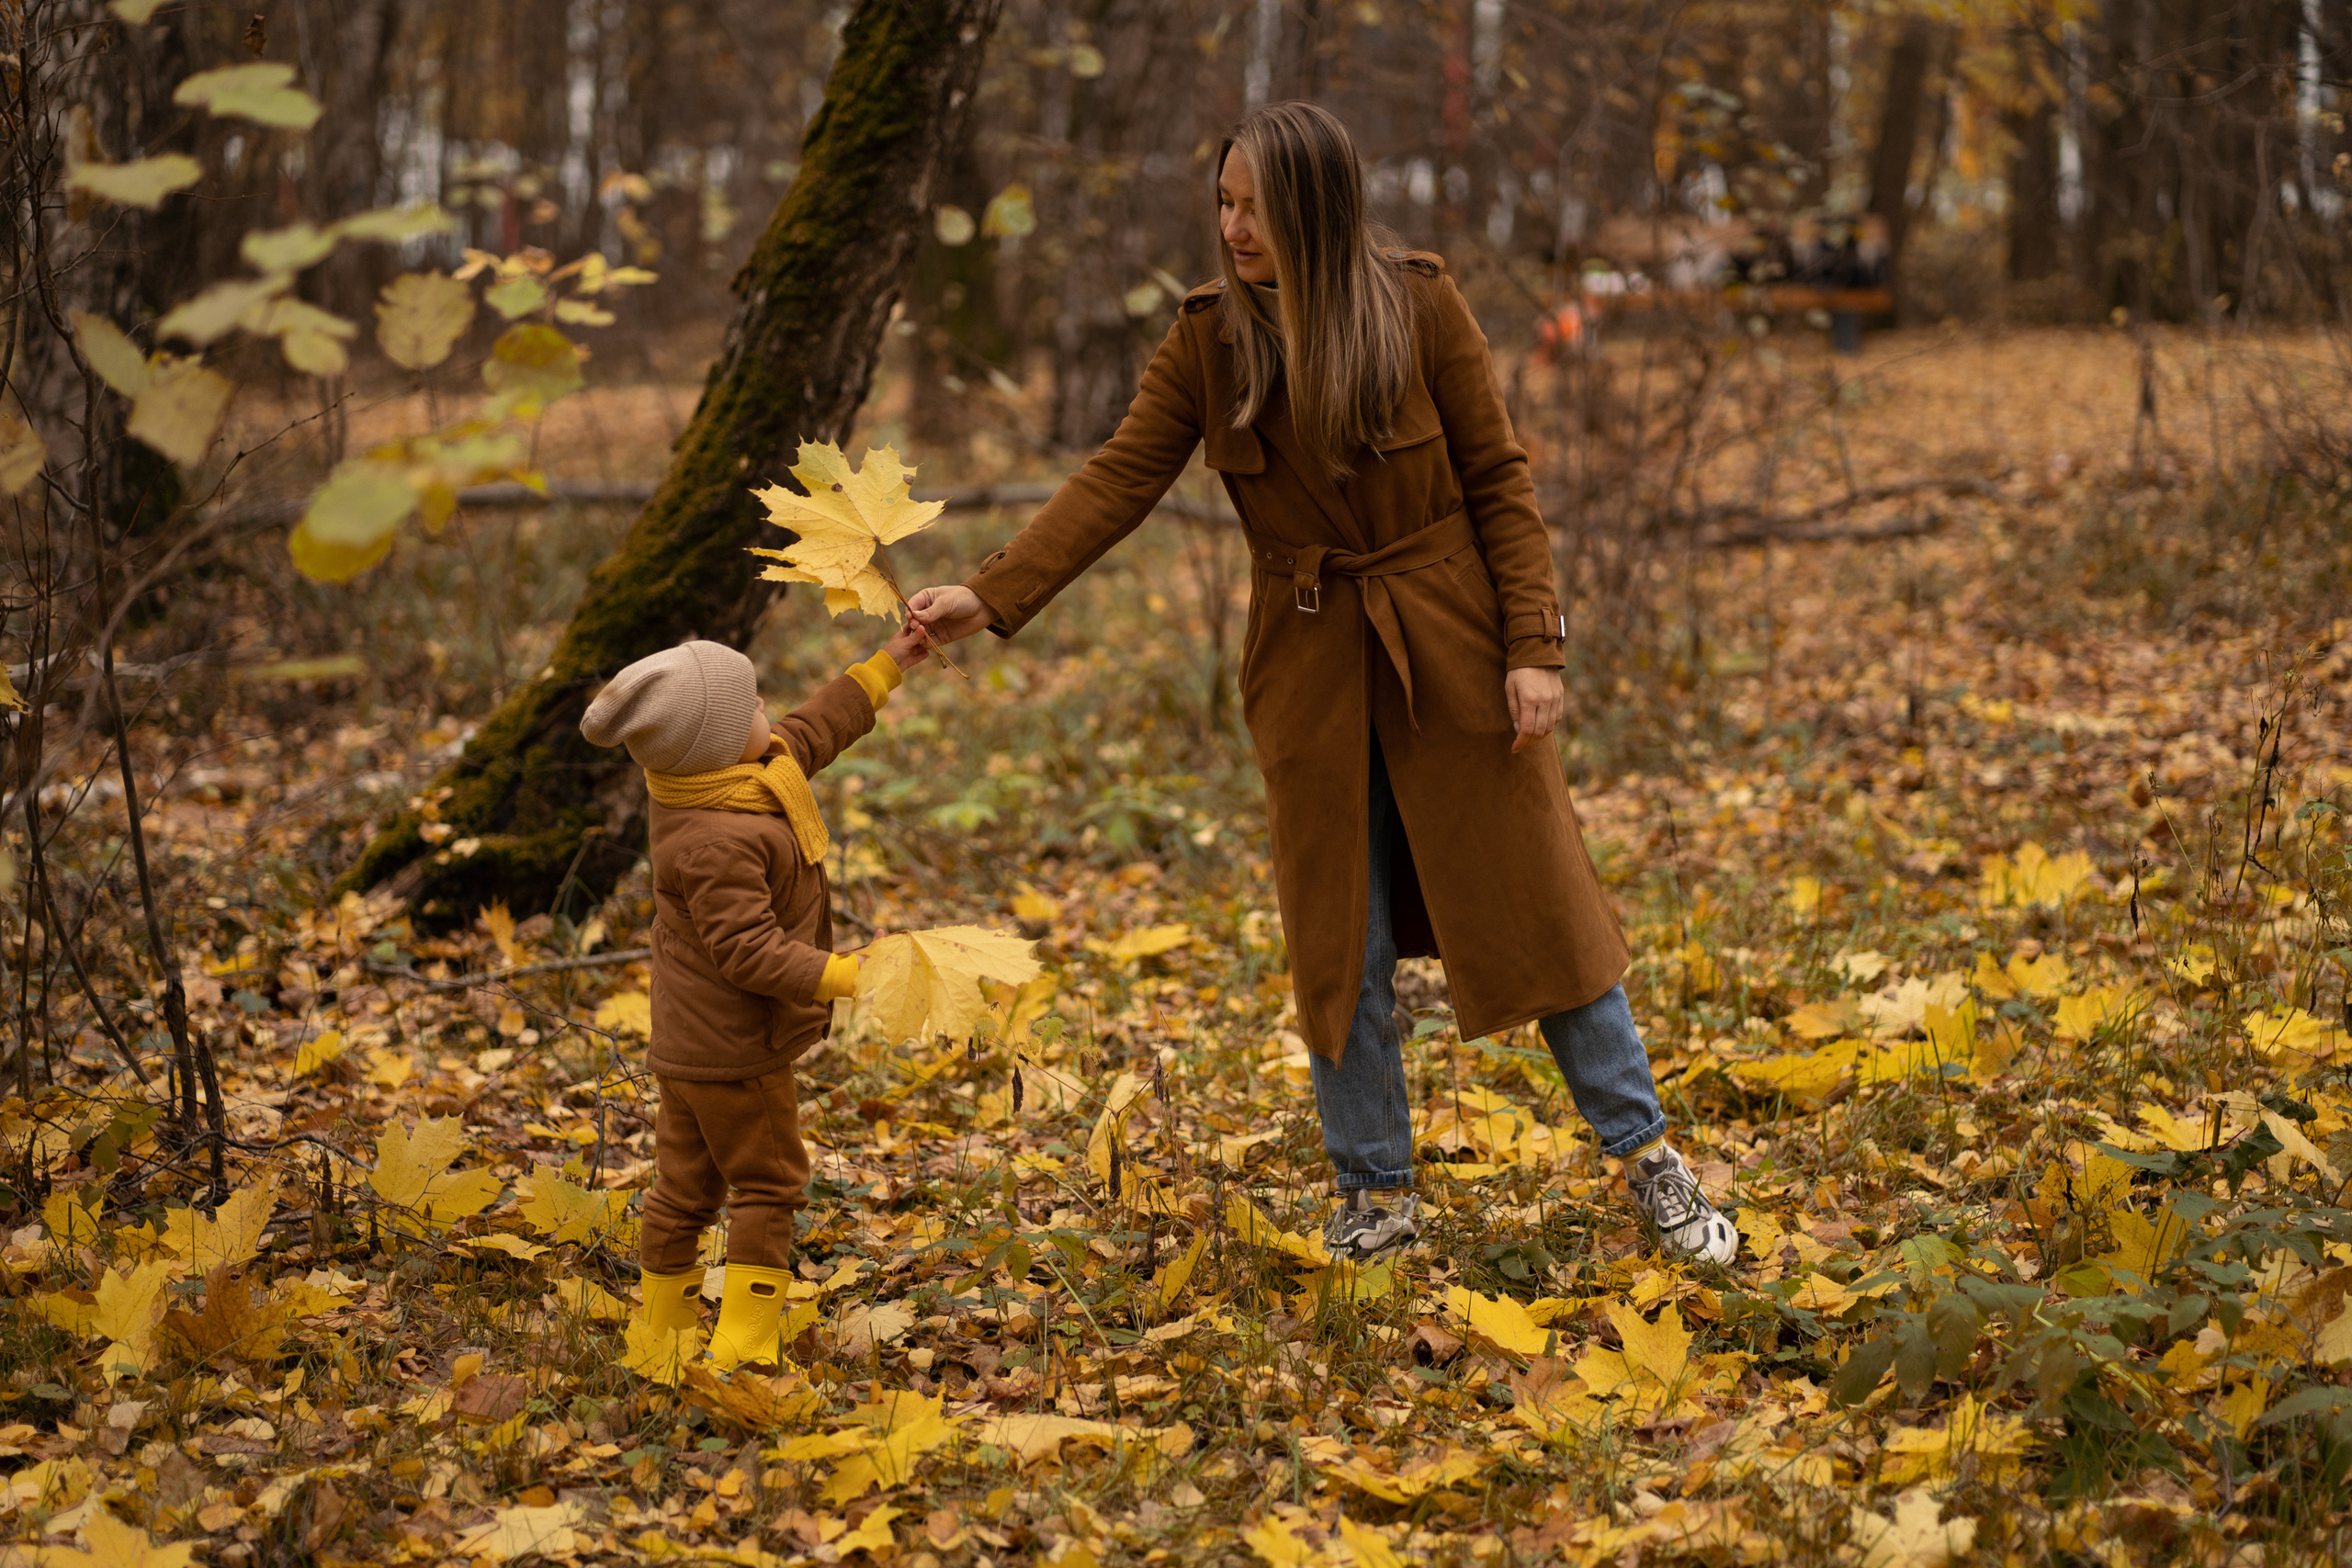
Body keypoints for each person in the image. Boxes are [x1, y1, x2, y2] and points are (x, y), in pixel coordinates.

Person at [908, 102, 1736, 1267]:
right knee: (1338, 943)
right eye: (1223, 203)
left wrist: (1534, 649)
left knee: (1542, 909)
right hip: (1307, 671)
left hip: (1451, 652)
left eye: (1255, 207)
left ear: (1317, 209)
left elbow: (1499, 481)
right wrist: (987, 595)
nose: (1232, 228)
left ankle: (1648, 1158)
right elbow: (1116, 480)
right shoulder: (1209, 339)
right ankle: (1374, 1194)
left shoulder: (1419, 305)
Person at [578, 624, 931, 1367]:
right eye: (751, 707)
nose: (766, 708)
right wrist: (845, 974)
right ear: (714, 743)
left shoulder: (725, 779)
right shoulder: (715, 840)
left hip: (688, 1044)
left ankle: (661, 1335)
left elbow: (812, 730)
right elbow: (747, 951)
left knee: (684, 1187)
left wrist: (887, 666)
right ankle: (745, 1346)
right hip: (736, 1050)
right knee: (769, 1182)